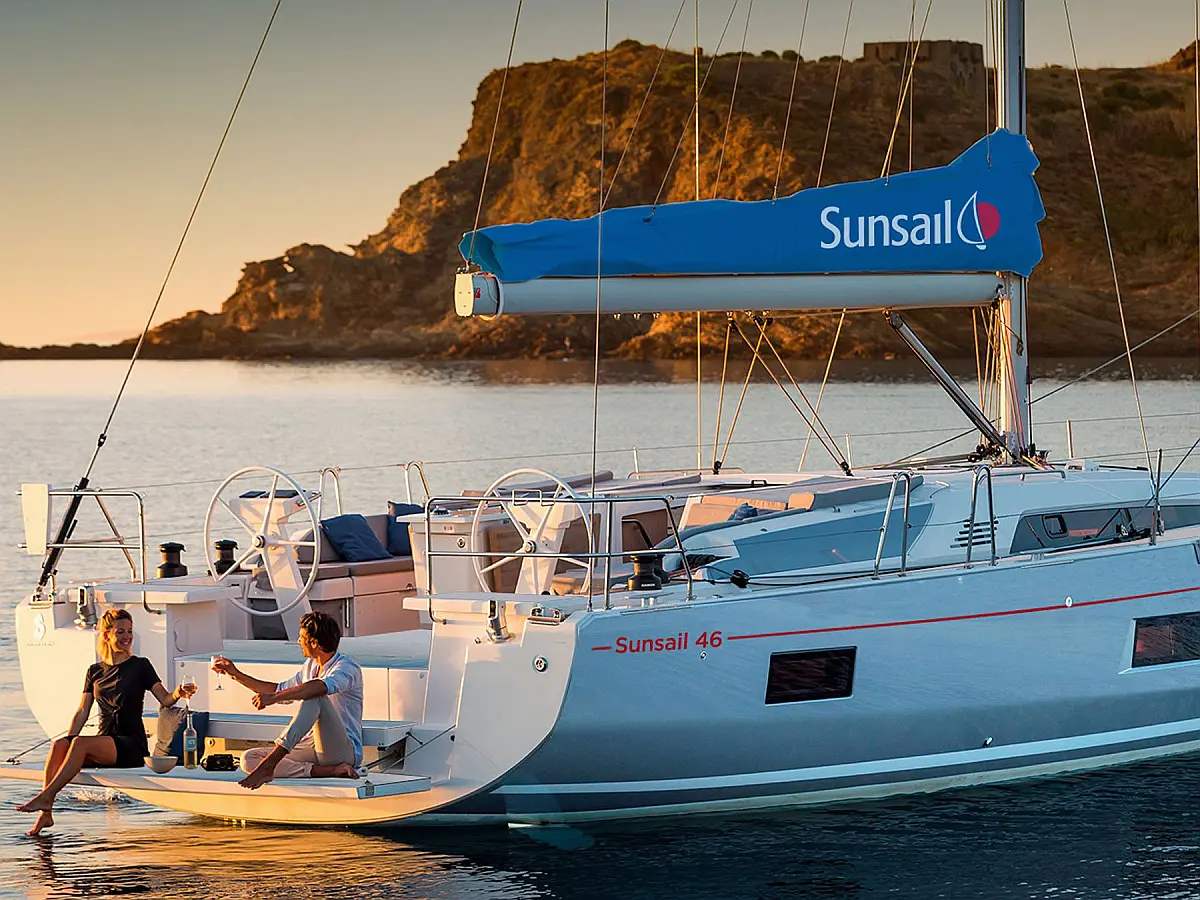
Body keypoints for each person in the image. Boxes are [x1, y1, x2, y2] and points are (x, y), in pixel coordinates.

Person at [15, 608, 195, 836]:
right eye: (120, 632)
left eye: (129, 631)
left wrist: (178, 692)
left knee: (79, 743)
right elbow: (83, 711)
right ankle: (45, 813)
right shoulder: (95, 671)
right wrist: (69, 740)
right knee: (59, 745)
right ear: (107, 635)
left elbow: (166, 700)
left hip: (130, 745)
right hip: (105, 742)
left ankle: (46, 797)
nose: (127, 637)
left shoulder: (140, 665)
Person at [212, 611, 363, 790]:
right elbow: (280, 689)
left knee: (315, 697)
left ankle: (271, 764)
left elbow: (319, 687)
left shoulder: (347, 666)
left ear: (314, 643)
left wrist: (273, 698)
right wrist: (235, 674)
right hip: (311, 747)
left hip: (342, 751)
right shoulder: (311, 665)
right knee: (249, 759)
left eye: (302, 638)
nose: (298, 641)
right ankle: (329, 771)